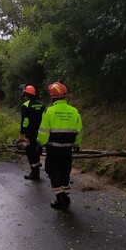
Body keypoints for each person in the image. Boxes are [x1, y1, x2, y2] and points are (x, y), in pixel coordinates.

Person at [37, 82, 82, 210]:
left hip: (53, 149)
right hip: (67, 149)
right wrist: (77, 144)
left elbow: (43, 132)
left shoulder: (49, 112)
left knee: (53, 171)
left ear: (52, 96)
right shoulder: (74, 111)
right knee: (65, 171)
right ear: (64, 96)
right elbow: (80, 130)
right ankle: (65, 196)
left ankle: (60, 198)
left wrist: (40, 143)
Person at [17, 84, 45, 180]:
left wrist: (21, 134)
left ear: (26, 95)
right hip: (41, 132)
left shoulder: (26, 105)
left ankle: (34, 173)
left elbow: (25, 121)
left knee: (30, 152)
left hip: (30, 133)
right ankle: (36, 172)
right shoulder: (41, 104)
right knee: (37, 151)